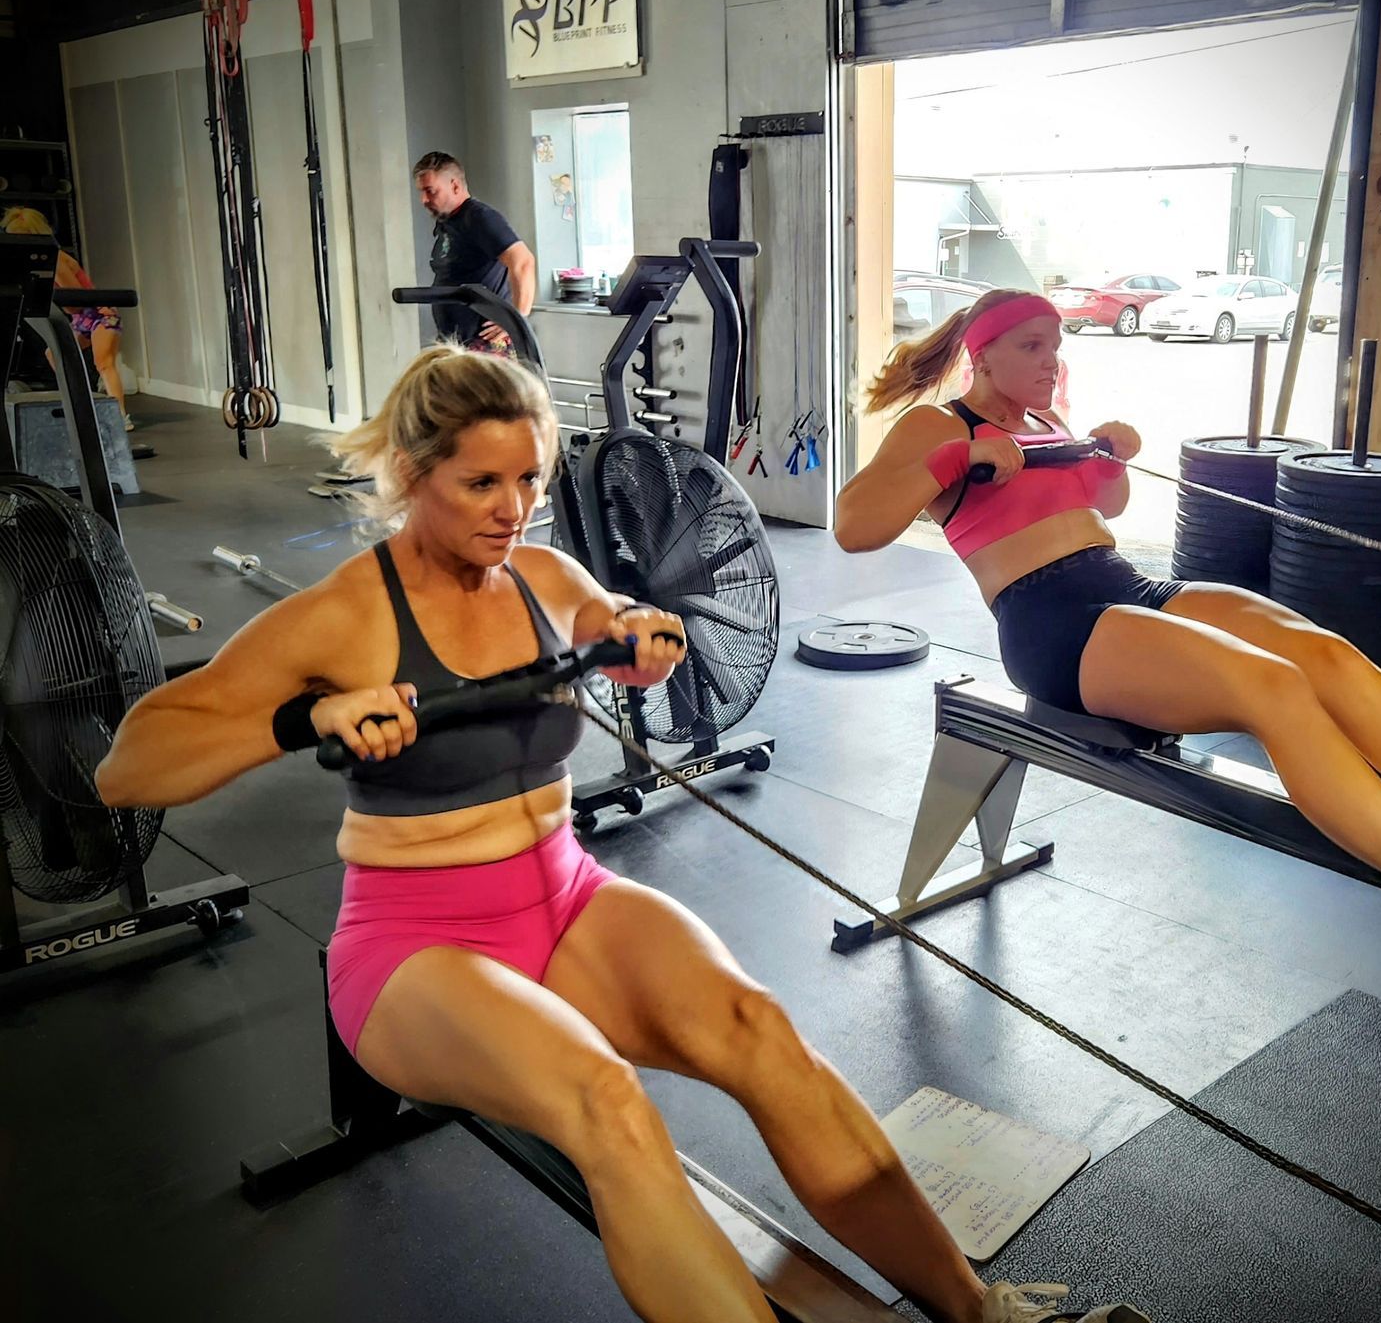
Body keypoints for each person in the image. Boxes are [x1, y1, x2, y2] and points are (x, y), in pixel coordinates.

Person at [94, 343, 1143, 1323]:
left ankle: (981, 1310)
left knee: (760, 1031)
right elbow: (129, 765)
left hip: (566, 899)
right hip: (418, 951)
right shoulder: (341, 617)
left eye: (531, 482)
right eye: (482, 485)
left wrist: (644, 637)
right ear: (414, 473)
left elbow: (621, 620)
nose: (515, 511)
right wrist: (306, 716)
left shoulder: (544, 581)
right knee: (609, 1103)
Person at [837, 291, 1381, 963]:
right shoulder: (936, 428)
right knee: (1271, 688)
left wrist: (1108, 456)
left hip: (1126, 584)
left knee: (1323, 654)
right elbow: (852, 526)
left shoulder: (1046, 416)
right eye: (1031, 345)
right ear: (982, 354)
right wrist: (958, 458)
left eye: (1056, 344)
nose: (1050, 359)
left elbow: (1104, 510)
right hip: (1051, 622)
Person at [2, 206, 132, 425]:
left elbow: (76, 299)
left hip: (100, 313)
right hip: (83, 318)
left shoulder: (56, 259)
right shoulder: (40, 262)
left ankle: (120, 417)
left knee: (104, 364)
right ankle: (82, 402)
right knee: (53, 354)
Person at [412, 152, 538, 355]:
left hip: (485, 347)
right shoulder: (448, 222)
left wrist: (515, 321)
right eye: (421, 192)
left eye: (430, 191)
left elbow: (523, 261)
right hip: (456, 344)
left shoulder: (480, 217)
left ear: (455, 186)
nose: (424, 200)